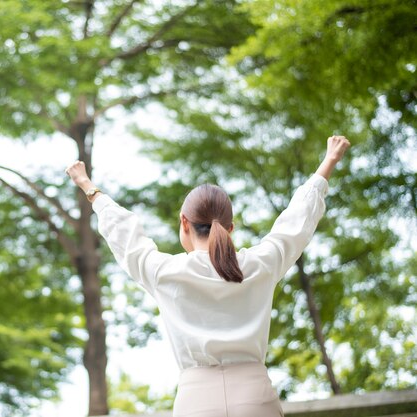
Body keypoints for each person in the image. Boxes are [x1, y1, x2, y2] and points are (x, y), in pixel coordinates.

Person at [65, 135, 351, 417]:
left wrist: (88, 187)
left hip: (196, 400)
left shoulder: (165, 272)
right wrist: (329, 161)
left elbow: (125, 234)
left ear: (184, 223)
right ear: (231, 228)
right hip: (255, 396)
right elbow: (296, 222)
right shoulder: (258, 264)